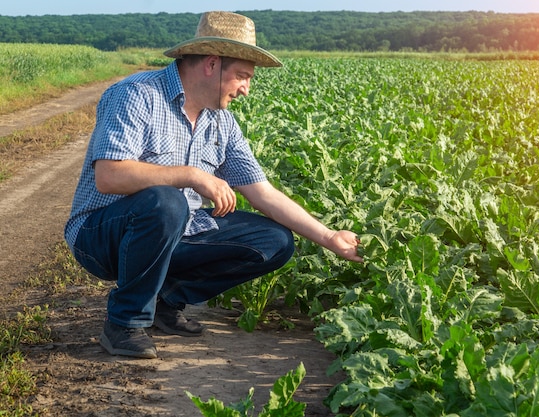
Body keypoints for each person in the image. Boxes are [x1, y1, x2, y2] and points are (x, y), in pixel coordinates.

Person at [64, 11, 362, 359]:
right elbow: (109, 176)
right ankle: (124, 322)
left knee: (274, 241)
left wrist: (329, 238)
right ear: (211, 64)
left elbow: (262, 193)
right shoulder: (137, 94)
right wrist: (191, 175)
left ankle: (164, 299)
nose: (245, 89)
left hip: (173, 231)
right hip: (100, 235)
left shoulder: (221, 122)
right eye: (241, 77)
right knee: (167, 202)